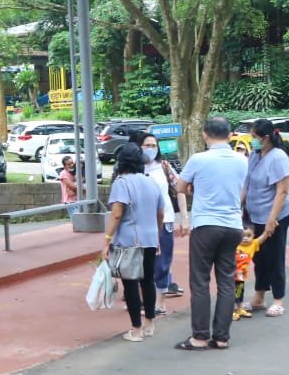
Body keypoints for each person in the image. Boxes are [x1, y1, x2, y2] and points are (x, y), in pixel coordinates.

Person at [176, 115, 248, 350]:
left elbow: (179, 187)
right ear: (229, 135)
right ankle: (221, 337)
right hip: (233, 226)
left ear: (205, 134)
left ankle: (199, 336)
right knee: (226, 281)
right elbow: (243, 191)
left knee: (200, 281)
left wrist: (194, 190)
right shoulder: (241, 160)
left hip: (206, 225)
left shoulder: (199, 159)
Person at [101, 143, 163, 342]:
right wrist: (157, 235)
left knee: (130, 283)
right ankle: (150, 323)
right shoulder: (151, 182)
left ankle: (136, 329)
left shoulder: (122, 183)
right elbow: (160, 213)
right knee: (148, 280)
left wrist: (107, 240)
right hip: (151, 238)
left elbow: (117, 214)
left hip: (129, 241)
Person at [242, 118, 289, 318]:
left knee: (274, 256)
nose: (252, 140)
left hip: (277, 213)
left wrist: (271, 221)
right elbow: (247, 185)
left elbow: (282, 192)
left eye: (254, 137)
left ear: (265, 138)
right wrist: (239, 207)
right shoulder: (255, 155)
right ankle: (259, 297)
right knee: (258, 256)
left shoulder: (278, 157)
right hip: (255, 214)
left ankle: (278, 300)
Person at [136, 131, 189, 312]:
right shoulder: (135, 168)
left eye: (154, 145)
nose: (151, 149)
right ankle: (147, 300)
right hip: (140, 224)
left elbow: (179, 189)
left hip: (164, 221)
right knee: (143, 264)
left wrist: (184, 217)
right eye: (147, 145)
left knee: (162, 262)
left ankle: (160, 302)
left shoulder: (164, 166)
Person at [233, 226, 267, 321]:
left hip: (240, 275)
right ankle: (227, 312)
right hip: (229, 274)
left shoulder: (252, 244)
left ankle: (239, 310)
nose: (245, 238)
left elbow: (264, 236)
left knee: (239, 292)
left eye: (249, 235)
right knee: (228, 292)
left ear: (253, 236)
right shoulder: (233, 244)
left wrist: (270, 226)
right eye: (242, 235)